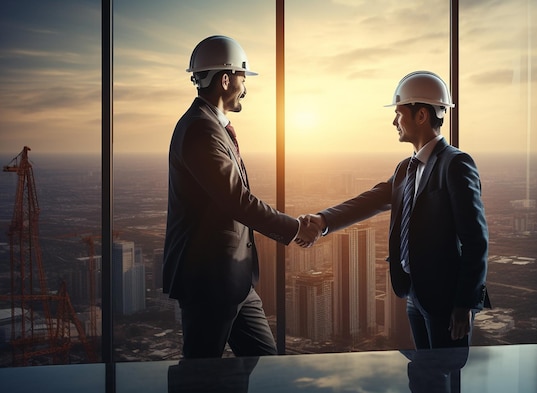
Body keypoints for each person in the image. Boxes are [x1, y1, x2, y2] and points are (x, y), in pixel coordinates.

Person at [300, 71, 490, 349]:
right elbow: (371, 200)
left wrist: (464, 305)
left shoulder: (456, 164)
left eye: (399, 113)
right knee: (423, 377)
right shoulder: (405, 168)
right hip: (415, 294)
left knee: (446, 376)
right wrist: (322, 220)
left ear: (421, 115)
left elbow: (476, 241)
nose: (394, 121)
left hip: (447, 301)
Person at [163, 35, 319, 358]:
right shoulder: (200, 130)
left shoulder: (210, 126)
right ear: (225, 80)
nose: (246, 87)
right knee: (199, 375)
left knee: (267, 366)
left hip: (233, 281)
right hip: (208, 283)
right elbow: (238, 200)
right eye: (243, 77)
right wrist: (294, 228)